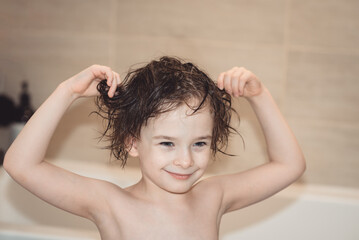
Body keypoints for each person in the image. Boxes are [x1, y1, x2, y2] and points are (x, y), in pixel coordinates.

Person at [4, 56, 305, 240]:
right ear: (132, 142)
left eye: (199, 143)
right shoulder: (111, 204)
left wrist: (259, 95)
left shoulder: (213, 197)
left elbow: (289, 165)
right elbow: (20, 165)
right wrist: (67, 91)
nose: (185, 160)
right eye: (167, 143)